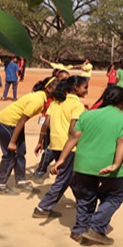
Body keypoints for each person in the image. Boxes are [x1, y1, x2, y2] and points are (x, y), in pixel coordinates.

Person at [52, 86, 123, 245]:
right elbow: (122, 141)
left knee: (85, 197)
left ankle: (79, 230)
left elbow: (74, 136)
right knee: (116, 195)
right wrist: (116, 164)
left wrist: (61, 159)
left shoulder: (87, 115)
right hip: (108, 166)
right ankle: (96, 228)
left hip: (83, 164)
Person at [0, 76, 59, 195]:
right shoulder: (37, 100)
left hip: (15, 124)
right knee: (10, 154)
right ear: (48, 89)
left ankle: (20, 182)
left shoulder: (42, 98)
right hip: (6, 122)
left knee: (21, 152)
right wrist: (12, 142)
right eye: (57, 88)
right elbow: (22, 121)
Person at [32, 76, 88, 218]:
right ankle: (42, 208)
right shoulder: (77, 105)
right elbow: (72, 130)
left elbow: (45, 123)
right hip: (69, 147)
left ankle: (82, 201)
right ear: (76, 88)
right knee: (64, 178)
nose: (86, 90)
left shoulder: (55, 102)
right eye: (85, 87)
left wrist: (40, 141)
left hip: (55, 144)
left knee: (72, 176)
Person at [33, 70, 71, 184]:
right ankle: (40, 171)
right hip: (50, 127)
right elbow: (45, 116)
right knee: (49, 151)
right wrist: (43, 130)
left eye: (67, 79)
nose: (65, 81)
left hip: (62, 127)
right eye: (63, 79)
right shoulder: (51, 98)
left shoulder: (65, 95)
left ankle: (60, 170)